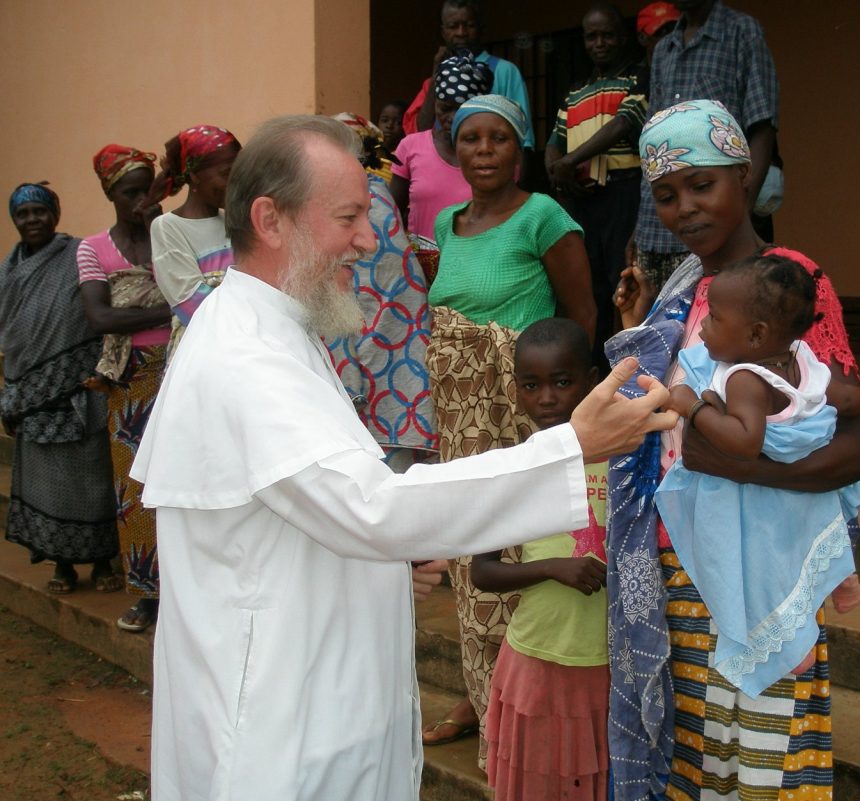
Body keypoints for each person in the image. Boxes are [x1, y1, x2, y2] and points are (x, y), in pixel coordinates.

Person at [128, 114, 676, 801]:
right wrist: (570, 447)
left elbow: (303, 505)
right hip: (278, 732)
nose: (369, 237)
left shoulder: (275, 326)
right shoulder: (246, 353)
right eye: (350, 216)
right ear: (271, 220)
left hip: (313, 703)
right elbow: (369, 506)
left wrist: (390, 559)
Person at [607, 99, 860, 801]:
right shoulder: (683, 292)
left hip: (766, 567)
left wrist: (722, 454)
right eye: (665, 194)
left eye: (702, 184)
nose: (685, 207)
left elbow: (844, 437)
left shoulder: (787, 286)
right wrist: (637, 324)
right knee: (703, 756)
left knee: (764, 758)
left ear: (744, 176)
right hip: (684, 563)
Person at [424, 95, 597, 765]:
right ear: (455, 150)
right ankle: (481, 689)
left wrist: (566, 406)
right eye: (472, 138)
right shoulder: (446, 223)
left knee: (525, 543)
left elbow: (579, 317)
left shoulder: (544, 216)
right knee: (475, 550)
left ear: (519, 148)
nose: (486, 149)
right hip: (459, 414)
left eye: (499, 138)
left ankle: (521, 700)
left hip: (524, 410)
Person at [655, 254, 860, 696]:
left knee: (755, 562)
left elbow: (745, 441)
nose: (704, 328)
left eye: (715, 319)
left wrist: (690, 404)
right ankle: (841, 578)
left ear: (755, 335)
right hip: (809, 492)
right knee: (810, 532)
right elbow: (842, 397)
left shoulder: (746, 378)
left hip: (762, 488)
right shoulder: (800, 357)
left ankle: (788, 646)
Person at [473, 317, 610, 801]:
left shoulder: (622, 461)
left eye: (563, 382)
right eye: (532, 385)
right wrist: (554, 568)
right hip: (536, 657)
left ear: (591, 381)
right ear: (517, 390)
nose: (547, 398)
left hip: (607, 661)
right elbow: (483, 572)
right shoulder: (518, 467)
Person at [0, 183, 119, 594]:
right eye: (23, 213)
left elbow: (98, 307)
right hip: (30, 400)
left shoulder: (78, 255)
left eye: (39, 211)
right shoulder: (9, 270)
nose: (32, 220)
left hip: (79, 391)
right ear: (15, 219)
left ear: (55, 213)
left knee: (92, 481)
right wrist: (14, 395)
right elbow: (12, 334)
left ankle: (104, 562)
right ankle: (62, 564)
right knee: (46, 486)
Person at [78, 145, 172, 633]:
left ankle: (183, 591)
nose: (138, 202)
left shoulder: (169, 236)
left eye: (145, 191)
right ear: (110, 194)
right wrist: (172, 308)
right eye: (128, 193)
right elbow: (101, 317)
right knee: (133, 488)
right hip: (130, 375)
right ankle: (145, 594)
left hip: (179, 368)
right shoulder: (93, 248)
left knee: (181, 482)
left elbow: (189, 289)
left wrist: (159, 233)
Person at [631, 0, 779, 290]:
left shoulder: (741, 32)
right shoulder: (664, 48)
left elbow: (762, 124)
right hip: (658, 227)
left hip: (718, 219)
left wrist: (743, 210)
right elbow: (653, 140)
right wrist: (639, 227)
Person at [328, 113, 438, 471]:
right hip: (388, 368)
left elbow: (376, 293)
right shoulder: (373, 199)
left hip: (377, 367)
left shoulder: (364, 205)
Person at [545, 3, 649, 371]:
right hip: (582, 199)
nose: (599, 42)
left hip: (624, 193)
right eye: (592, 36)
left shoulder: (637, 78)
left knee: (620, 281)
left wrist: (568, 164)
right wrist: (558, 171)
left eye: (608, 35)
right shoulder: (576, 90)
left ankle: (625, 368)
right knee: (591, 287)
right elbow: (555, 141)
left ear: (622, 37)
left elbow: (623, 125)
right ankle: (595, 369)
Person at [390, 51, 492, 283]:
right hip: (418, 273)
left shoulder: (492, 156)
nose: (452, 117)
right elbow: (391, 212)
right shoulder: (411, 147)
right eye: (445, 108)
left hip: (478, 269)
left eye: (461, 108)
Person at [143, 125, 241, 362]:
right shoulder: (169, 228)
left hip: (246, 347)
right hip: (206, 353)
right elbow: (191, 304)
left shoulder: (238, 221)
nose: (236, 184)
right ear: (195, 175)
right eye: (227, 174)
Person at [402, 0, 535, 149]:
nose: (461, 33)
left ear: (481, 29)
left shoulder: (505, 71)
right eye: (453, 26)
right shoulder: (435, 79)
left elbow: (524, 139)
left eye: (469, 25)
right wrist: (436, 74)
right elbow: (421, 130)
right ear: (443, 32)